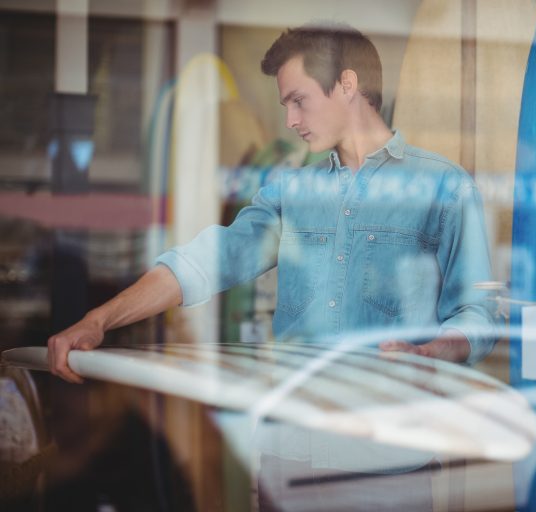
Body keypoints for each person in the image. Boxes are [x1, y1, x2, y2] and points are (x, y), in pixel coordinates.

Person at [48, 22, 494, 511]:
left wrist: (430, 355)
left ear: (348, 85)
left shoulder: (444, 187)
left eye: (298, 100)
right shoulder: (290, 190)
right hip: (287, 458)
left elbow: (479, 313)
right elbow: (206, 261)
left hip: (386, 464)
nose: (289, 120)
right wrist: (99, 319)